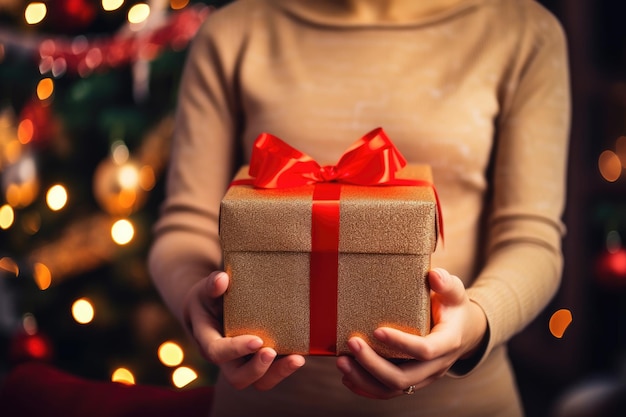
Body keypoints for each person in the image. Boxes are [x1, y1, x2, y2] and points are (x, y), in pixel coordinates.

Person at [148, 0, 571, 415]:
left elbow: (531, 238)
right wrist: (194, 300)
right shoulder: (233, 31)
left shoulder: (522, 30)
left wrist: (475, 323)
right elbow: (186, 225)